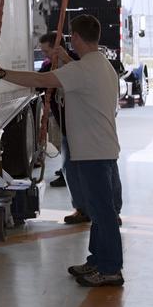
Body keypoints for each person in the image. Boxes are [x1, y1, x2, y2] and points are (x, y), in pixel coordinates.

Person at [0, 14, 124, 287]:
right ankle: (97, 260)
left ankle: (110, 269)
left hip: (93, 153)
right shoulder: (102, 66)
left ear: (76, 38)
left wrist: (0, 72)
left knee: (104, 214)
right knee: (100, 211)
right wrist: (68, 60)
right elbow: (80, 76)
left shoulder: (81, 70)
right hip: (103, 149)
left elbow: (41, 79)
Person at [37, 33, 88, 225]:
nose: (44, 55)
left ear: (58, 48)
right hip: (68, 130)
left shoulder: (77, 64)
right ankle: (81, 208)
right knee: (69, 168)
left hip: (84, 129)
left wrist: (65, 59)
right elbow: (38, 82)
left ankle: (110, 210)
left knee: (93, 170)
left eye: (46, 50)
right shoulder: (48, 68)